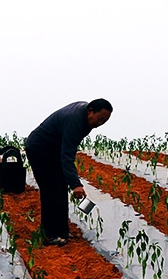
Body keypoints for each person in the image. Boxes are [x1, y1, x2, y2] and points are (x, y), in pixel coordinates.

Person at [25, 99, 113, 246]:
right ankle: (49, 235)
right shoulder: (76, 121)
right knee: (50, 189)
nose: (100, 123)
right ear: (90, 111)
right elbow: (67, 156)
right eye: (99, 119)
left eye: (104, 121)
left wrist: (71, 182)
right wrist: (75, 184)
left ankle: (62, 231)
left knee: (60, 186)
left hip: (53, 150)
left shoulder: (85, 116)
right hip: (39, 149)